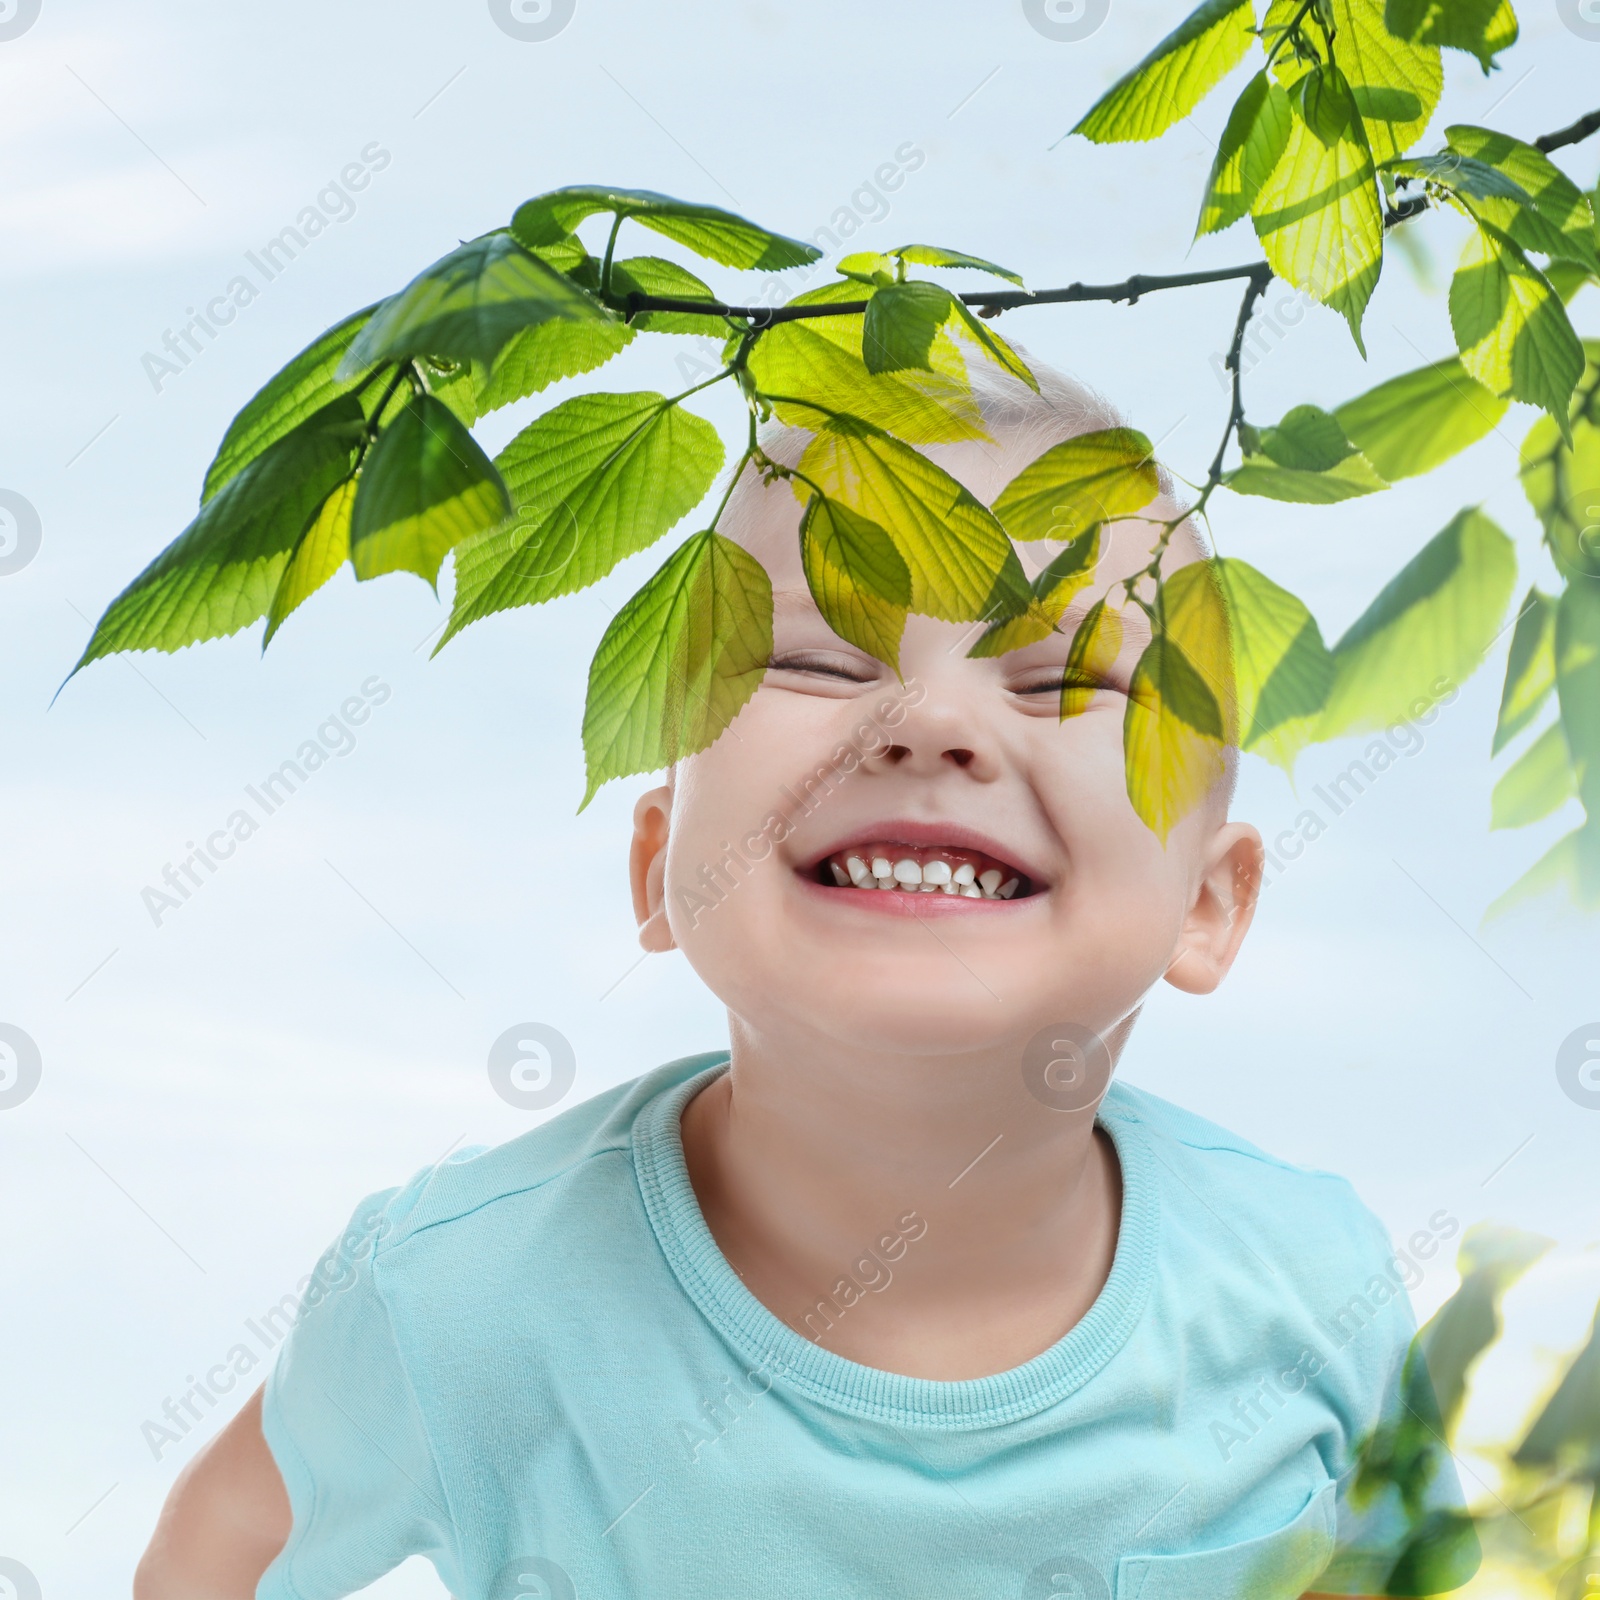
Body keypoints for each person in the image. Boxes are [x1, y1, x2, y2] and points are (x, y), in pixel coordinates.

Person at [134, 358, 1462, 1599]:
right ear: (659, 864)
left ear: (1210, 904)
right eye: (820, 660)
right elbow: (226, 1544)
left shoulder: (1312, 1286)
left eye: (1062, 681)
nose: (930, 725)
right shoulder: (462, 1297)